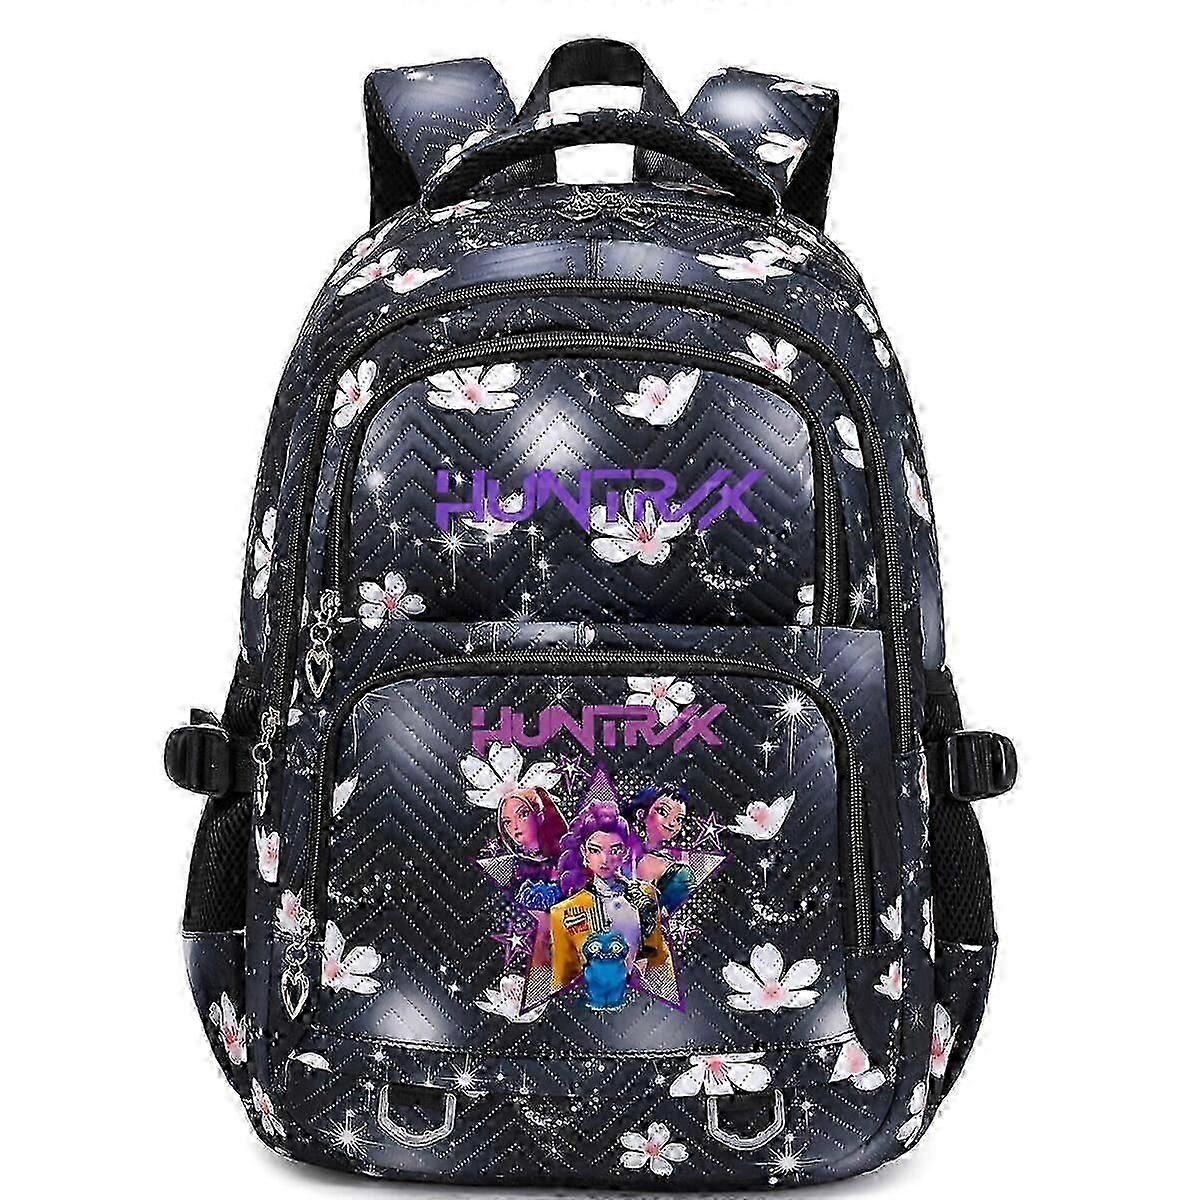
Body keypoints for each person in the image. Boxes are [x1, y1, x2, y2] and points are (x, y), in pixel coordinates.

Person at [548, 800, 666, 1007]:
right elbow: (563, 980)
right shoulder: (563, 912)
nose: (605, 859)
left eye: (614, 850)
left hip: (642, 1005)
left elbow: (659, 959)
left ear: (626, 852)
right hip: (587, 1005)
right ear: (584, 852)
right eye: (595, 850)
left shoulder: (646, 896)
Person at [496, 787, 568, 967]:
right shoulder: (514, 868)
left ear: (540, 815)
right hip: (533, 951)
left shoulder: (567, 859)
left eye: (522, 815)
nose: (515, 827)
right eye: (507, 822)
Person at [620, 784, 695, 914]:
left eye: (679, 819)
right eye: (663, 812)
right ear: (641, 813)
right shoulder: (615, 843)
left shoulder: (678, 873)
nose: (672, 823)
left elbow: (668, 915)